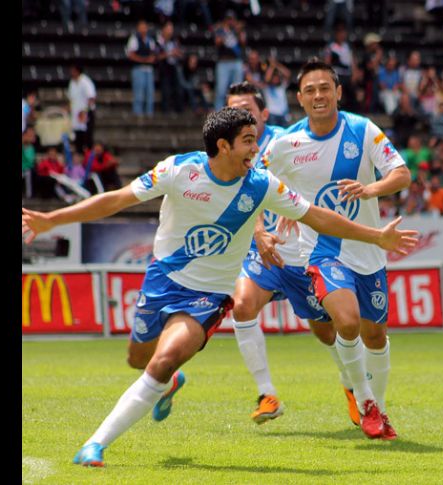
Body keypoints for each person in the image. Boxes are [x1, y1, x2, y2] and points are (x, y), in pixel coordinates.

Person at [22, 107, 418, 467]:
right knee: (139, 358)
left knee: (162, 361)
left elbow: (318, 217)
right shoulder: (178, 171)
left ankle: (94, 445)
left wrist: (375, 236)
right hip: (162, 280)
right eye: (248, 141)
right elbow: (116, 200)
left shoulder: (262, 185)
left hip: (208, 296)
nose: (256, 148)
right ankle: (171, 382)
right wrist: (52, 220)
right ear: (223, 146)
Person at [258, 59, 412, 440]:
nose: (318, 96)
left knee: (375, 335)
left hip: (368, 250)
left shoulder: (362, 130)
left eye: (325, 87)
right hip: (321, 251)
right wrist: (266, 225)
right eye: (310, 90)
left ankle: (379, 405)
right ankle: (366, 404)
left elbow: (402, 173)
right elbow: (254, 185)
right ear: (299, 98)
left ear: (338, 92)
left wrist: (370, 189)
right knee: (346, 322)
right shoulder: (285, 144)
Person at [225, 81, 352, 427]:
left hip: (302, 252)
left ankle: (350, 385)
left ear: (264, 113)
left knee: (325, 331)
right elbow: (241, 198)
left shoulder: (290, 140)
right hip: (263, 250)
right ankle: (267, 394)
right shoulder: (228, 150)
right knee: (242, 305)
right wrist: (260, 231)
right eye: (233, 110)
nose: (240, 116)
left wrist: (293, 204)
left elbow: (313, 175)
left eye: (246, 109)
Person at [126, 19, 159, 116]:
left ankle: (149, 114)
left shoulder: (150, 40)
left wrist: (150, 59)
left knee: (150, 94)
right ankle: (137, 114)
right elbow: (131, 55)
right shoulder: (134, 39)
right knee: (138, 94)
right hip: (138, 68)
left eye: (145, 27)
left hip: (148, 69)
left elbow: (154, 54)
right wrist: (143, 59)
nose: (143, 29)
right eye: (141, 27)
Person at [67, 64, 97, 153]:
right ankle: (79, 155)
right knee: (77, 136)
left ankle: (88, 157)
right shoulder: (72, 82)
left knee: (87, 136)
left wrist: (85, 111)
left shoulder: (85, 82)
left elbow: (91, 97)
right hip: (75, 114)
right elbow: (71, 98)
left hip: (85, 113)